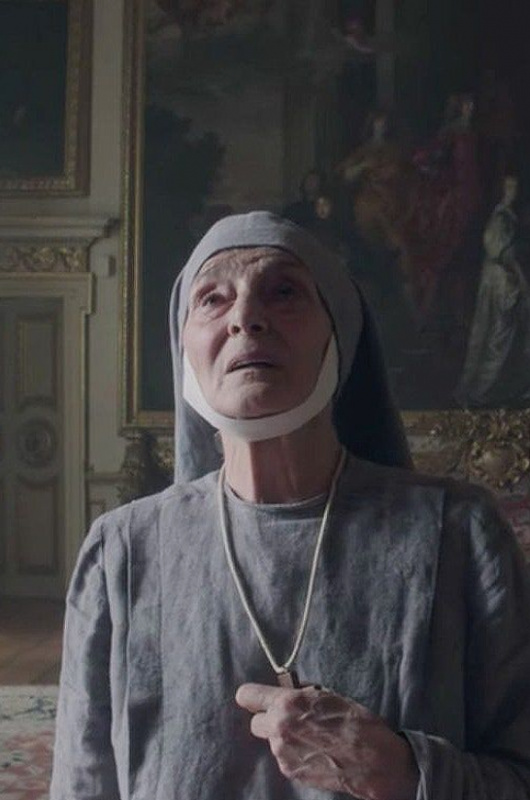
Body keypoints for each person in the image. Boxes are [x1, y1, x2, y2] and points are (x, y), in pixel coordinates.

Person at [50, 212, 530, 799]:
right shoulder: (120, 552)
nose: (245, 318)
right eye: (212, 299)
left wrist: (406, 773)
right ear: (184, 349)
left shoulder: (460, 533)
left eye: (283, 292)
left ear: (339, 333)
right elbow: (81, 785)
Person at [455, 174, 530, 407]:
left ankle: (499, 388)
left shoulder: (509, 216)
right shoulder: (499, 218)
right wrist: (522, 281)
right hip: (500, 281)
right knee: (498, 336)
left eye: (515, 187)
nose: (513, 191)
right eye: (509, 187)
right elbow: (505, 254)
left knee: (502, 334)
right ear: (502, 190)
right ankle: (482, 390)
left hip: (500, 279)